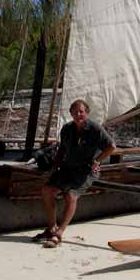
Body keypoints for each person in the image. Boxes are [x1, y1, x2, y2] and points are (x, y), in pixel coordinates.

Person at [35, 99, 116, 248]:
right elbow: (61, 150)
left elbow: (111, 147)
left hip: (86, 170)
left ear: (86, 113)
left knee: (71, 195)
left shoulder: (95, 129)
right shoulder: (66, 129)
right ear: (71, 113)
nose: (78, 114)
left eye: (81, 111)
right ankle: (51, 227)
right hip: (68, 167)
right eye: (75, 111)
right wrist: (54, 167)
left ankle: (59, 233)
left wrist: (97, 161)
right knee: (47, 190)